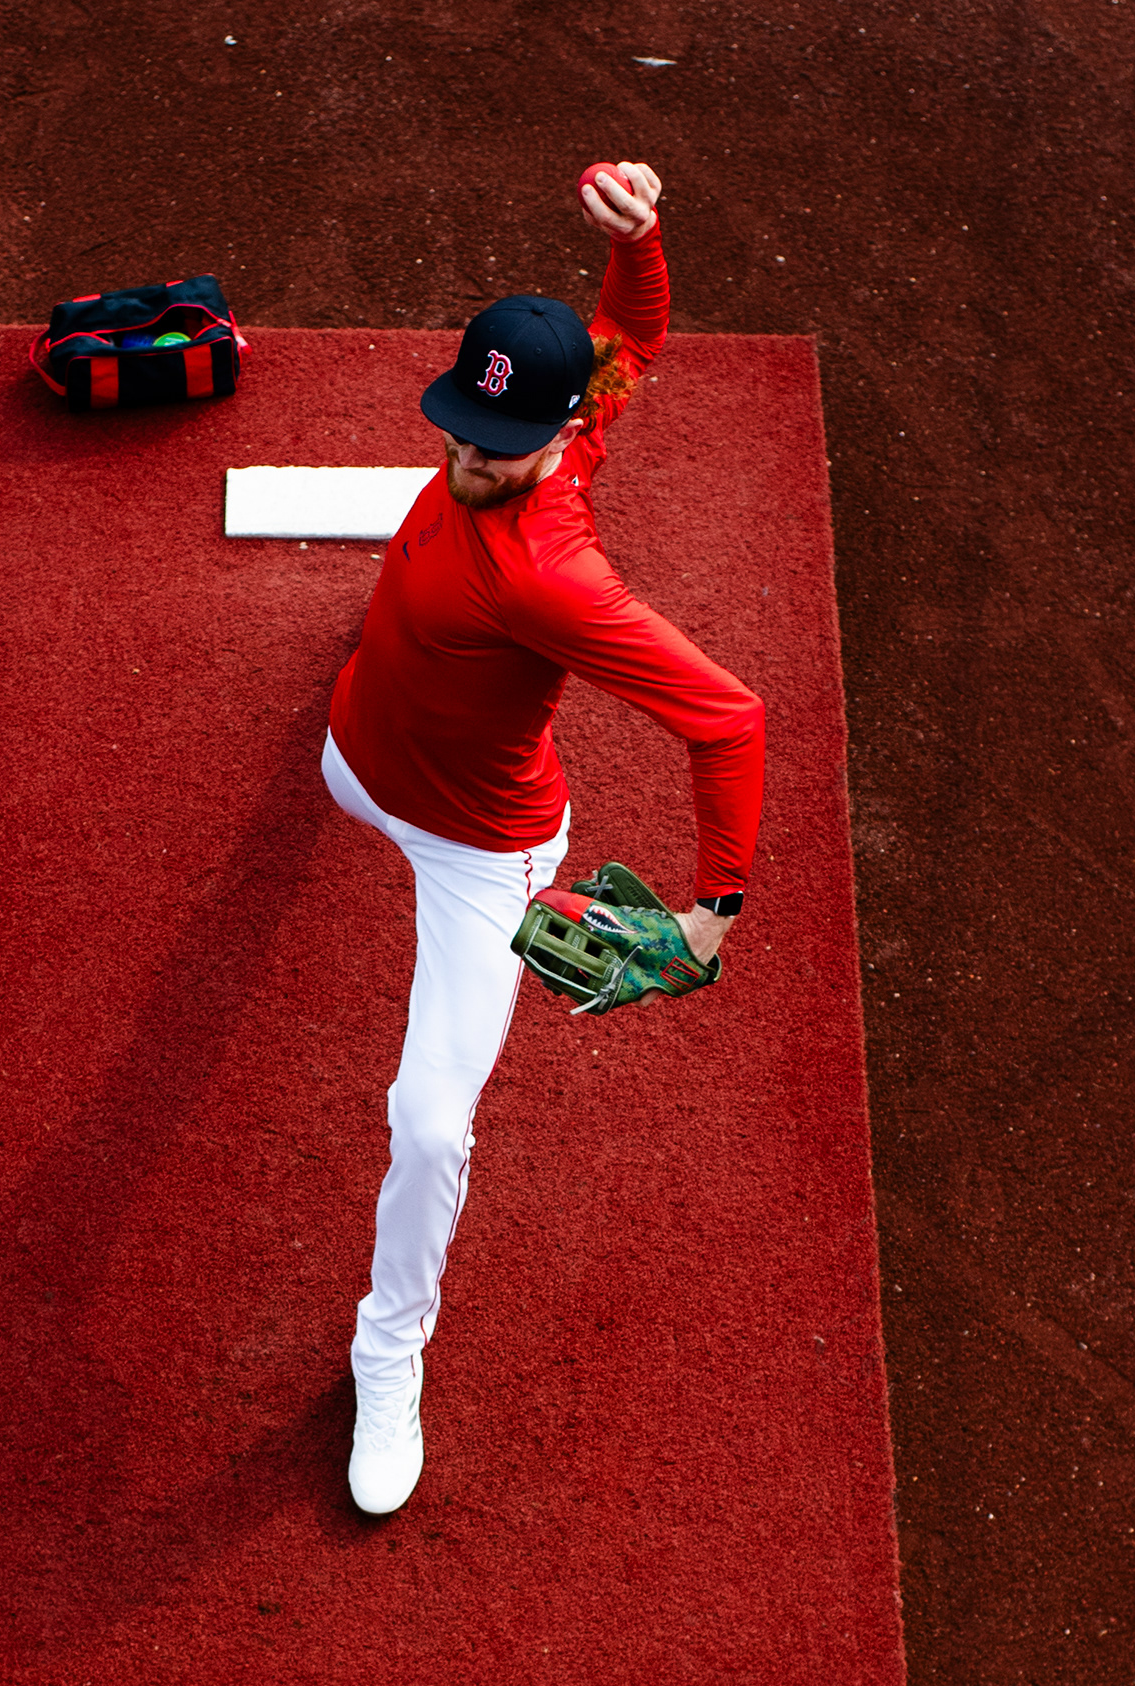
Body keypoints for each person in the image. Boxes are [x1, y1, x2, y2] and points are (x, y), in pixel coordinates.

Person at [326, 161, 767, 1515]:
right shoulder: (555, 421)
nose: (468, 457)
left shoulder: (552, 577)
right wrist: (645, 244)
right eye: (457, 427)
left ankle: (386, 1352)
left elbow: (730, 720)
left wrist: (712, 909)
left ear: (558, 439)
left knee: (429, 1122)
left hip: (481, 850)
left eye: (496, 448)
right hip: (357, 756)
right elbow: (630, 341)